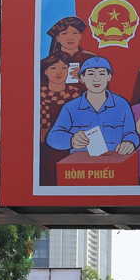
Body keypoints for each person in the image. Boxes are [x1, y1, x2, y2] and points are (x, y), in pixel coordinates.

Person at [46, 56, 139, 156]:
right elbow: (52, 137)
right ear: (82, 78)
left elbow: (131, 133)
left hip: (114, 164)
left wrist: (130, 142)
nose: (96, 79)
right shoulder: (70, 107)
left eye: (102, 73)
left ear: (109, 77)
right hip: (80, 166)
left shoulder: (122, 104)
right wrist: (71, 140)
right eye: (90, 74)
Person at [39, 51, 83, 186]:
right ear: (45, 71)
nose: (59, 72)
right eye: (53, 67)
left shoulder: (77, 94)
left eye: (64, 67)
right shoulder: (38, 93)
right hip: (45, 146)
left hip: (74, 143)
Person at [45, 16, 96, 82]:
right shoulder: (47, 63)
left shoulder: (93, 59)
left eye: (75, 33)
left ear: (80, 36)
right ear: (57, 38)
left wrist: (86, 76)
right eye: (64, 33)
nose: (70, 38)